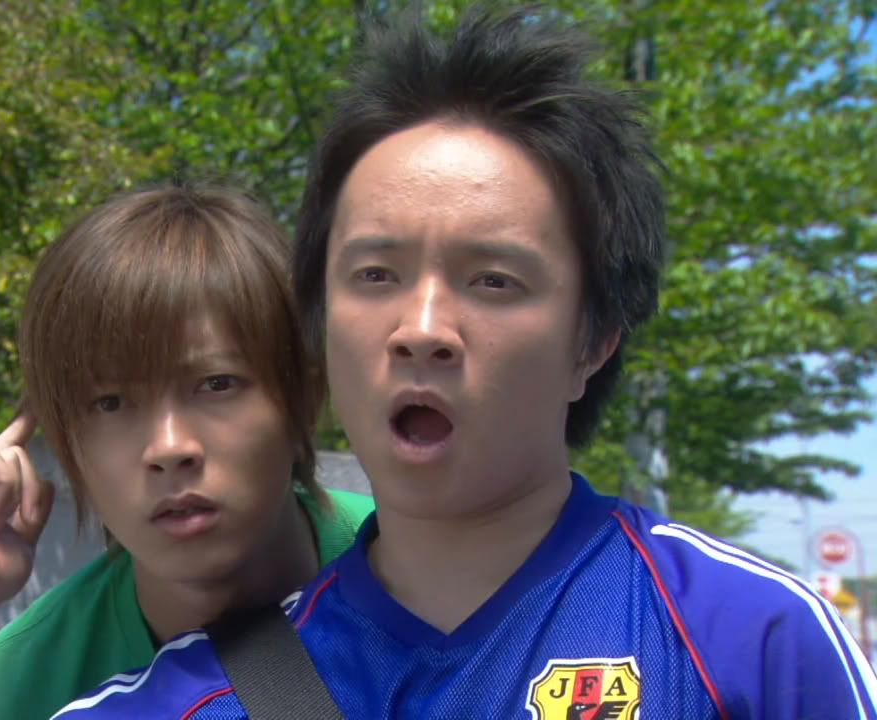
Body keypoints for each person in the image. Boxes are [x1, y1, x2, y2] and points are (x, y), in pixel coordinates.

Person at [51, 6, 877, 719]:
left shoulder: (751, 645)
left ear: (593, 341)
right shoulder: (191, 700)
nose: (421, 329)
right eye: (375, 276)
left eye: (492, 281)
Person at [0, 186, 374, 720]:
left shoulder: (416, 567)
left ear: (304, 398)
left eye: (216, 384)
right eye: (110, 402)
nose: (168, 448)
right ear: (65, 439)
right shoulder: (21, 683)